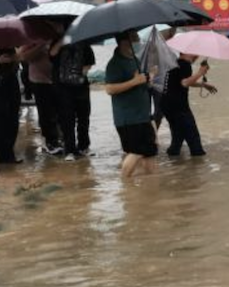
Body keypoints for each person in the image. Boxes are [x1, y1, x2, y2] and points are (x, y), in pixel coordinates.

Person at [104, 31, 160, 179]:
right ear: (124, 42)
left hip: (142, 115)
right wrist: (134, 81)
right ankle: (125, 184)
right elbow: (109, 89)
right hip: (129, 118)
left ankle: (152, 186)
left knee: (150, 151)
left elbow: (140, 83)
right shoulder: (115, 63)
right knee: (137, 151)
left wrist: (149, 78)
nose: (138, 41)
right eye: (135, 38)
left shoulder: (134, 59)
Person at [51, 30, 96, 159]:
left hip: (81, 86)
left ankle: (84, 146)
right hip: (62, 87)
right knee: (67, 119)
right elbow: (52, 55)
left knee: (83, 118)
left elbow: (90, 61)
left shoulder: (83, 42)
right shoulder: (58, 40)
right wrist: (61, 41)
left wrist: (83, 72)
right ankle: (69, 149)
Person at [163, 52, 215, 157]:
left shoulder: (175, 62)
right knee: (195, 144)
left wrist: (203, 84)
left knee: (178, 138)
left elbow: (180, 82)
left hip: (166, 105)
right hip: (179, 107)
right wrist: (200, 72)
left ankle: (172, 168)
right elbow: (185, 83)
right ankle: (198, 170)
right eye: (195, 52)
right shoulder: (185, 64)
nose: (198, 55)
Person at [20, 38, 62, 154]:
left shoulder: (58, 35)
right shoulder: (33, 36)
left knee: (61, 111)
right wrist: (41, 45)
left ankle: (61, 139)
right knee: (46, 113)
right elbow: (23, 56)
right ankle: (50, 141)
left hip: (58, 79)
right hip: (39, 80)